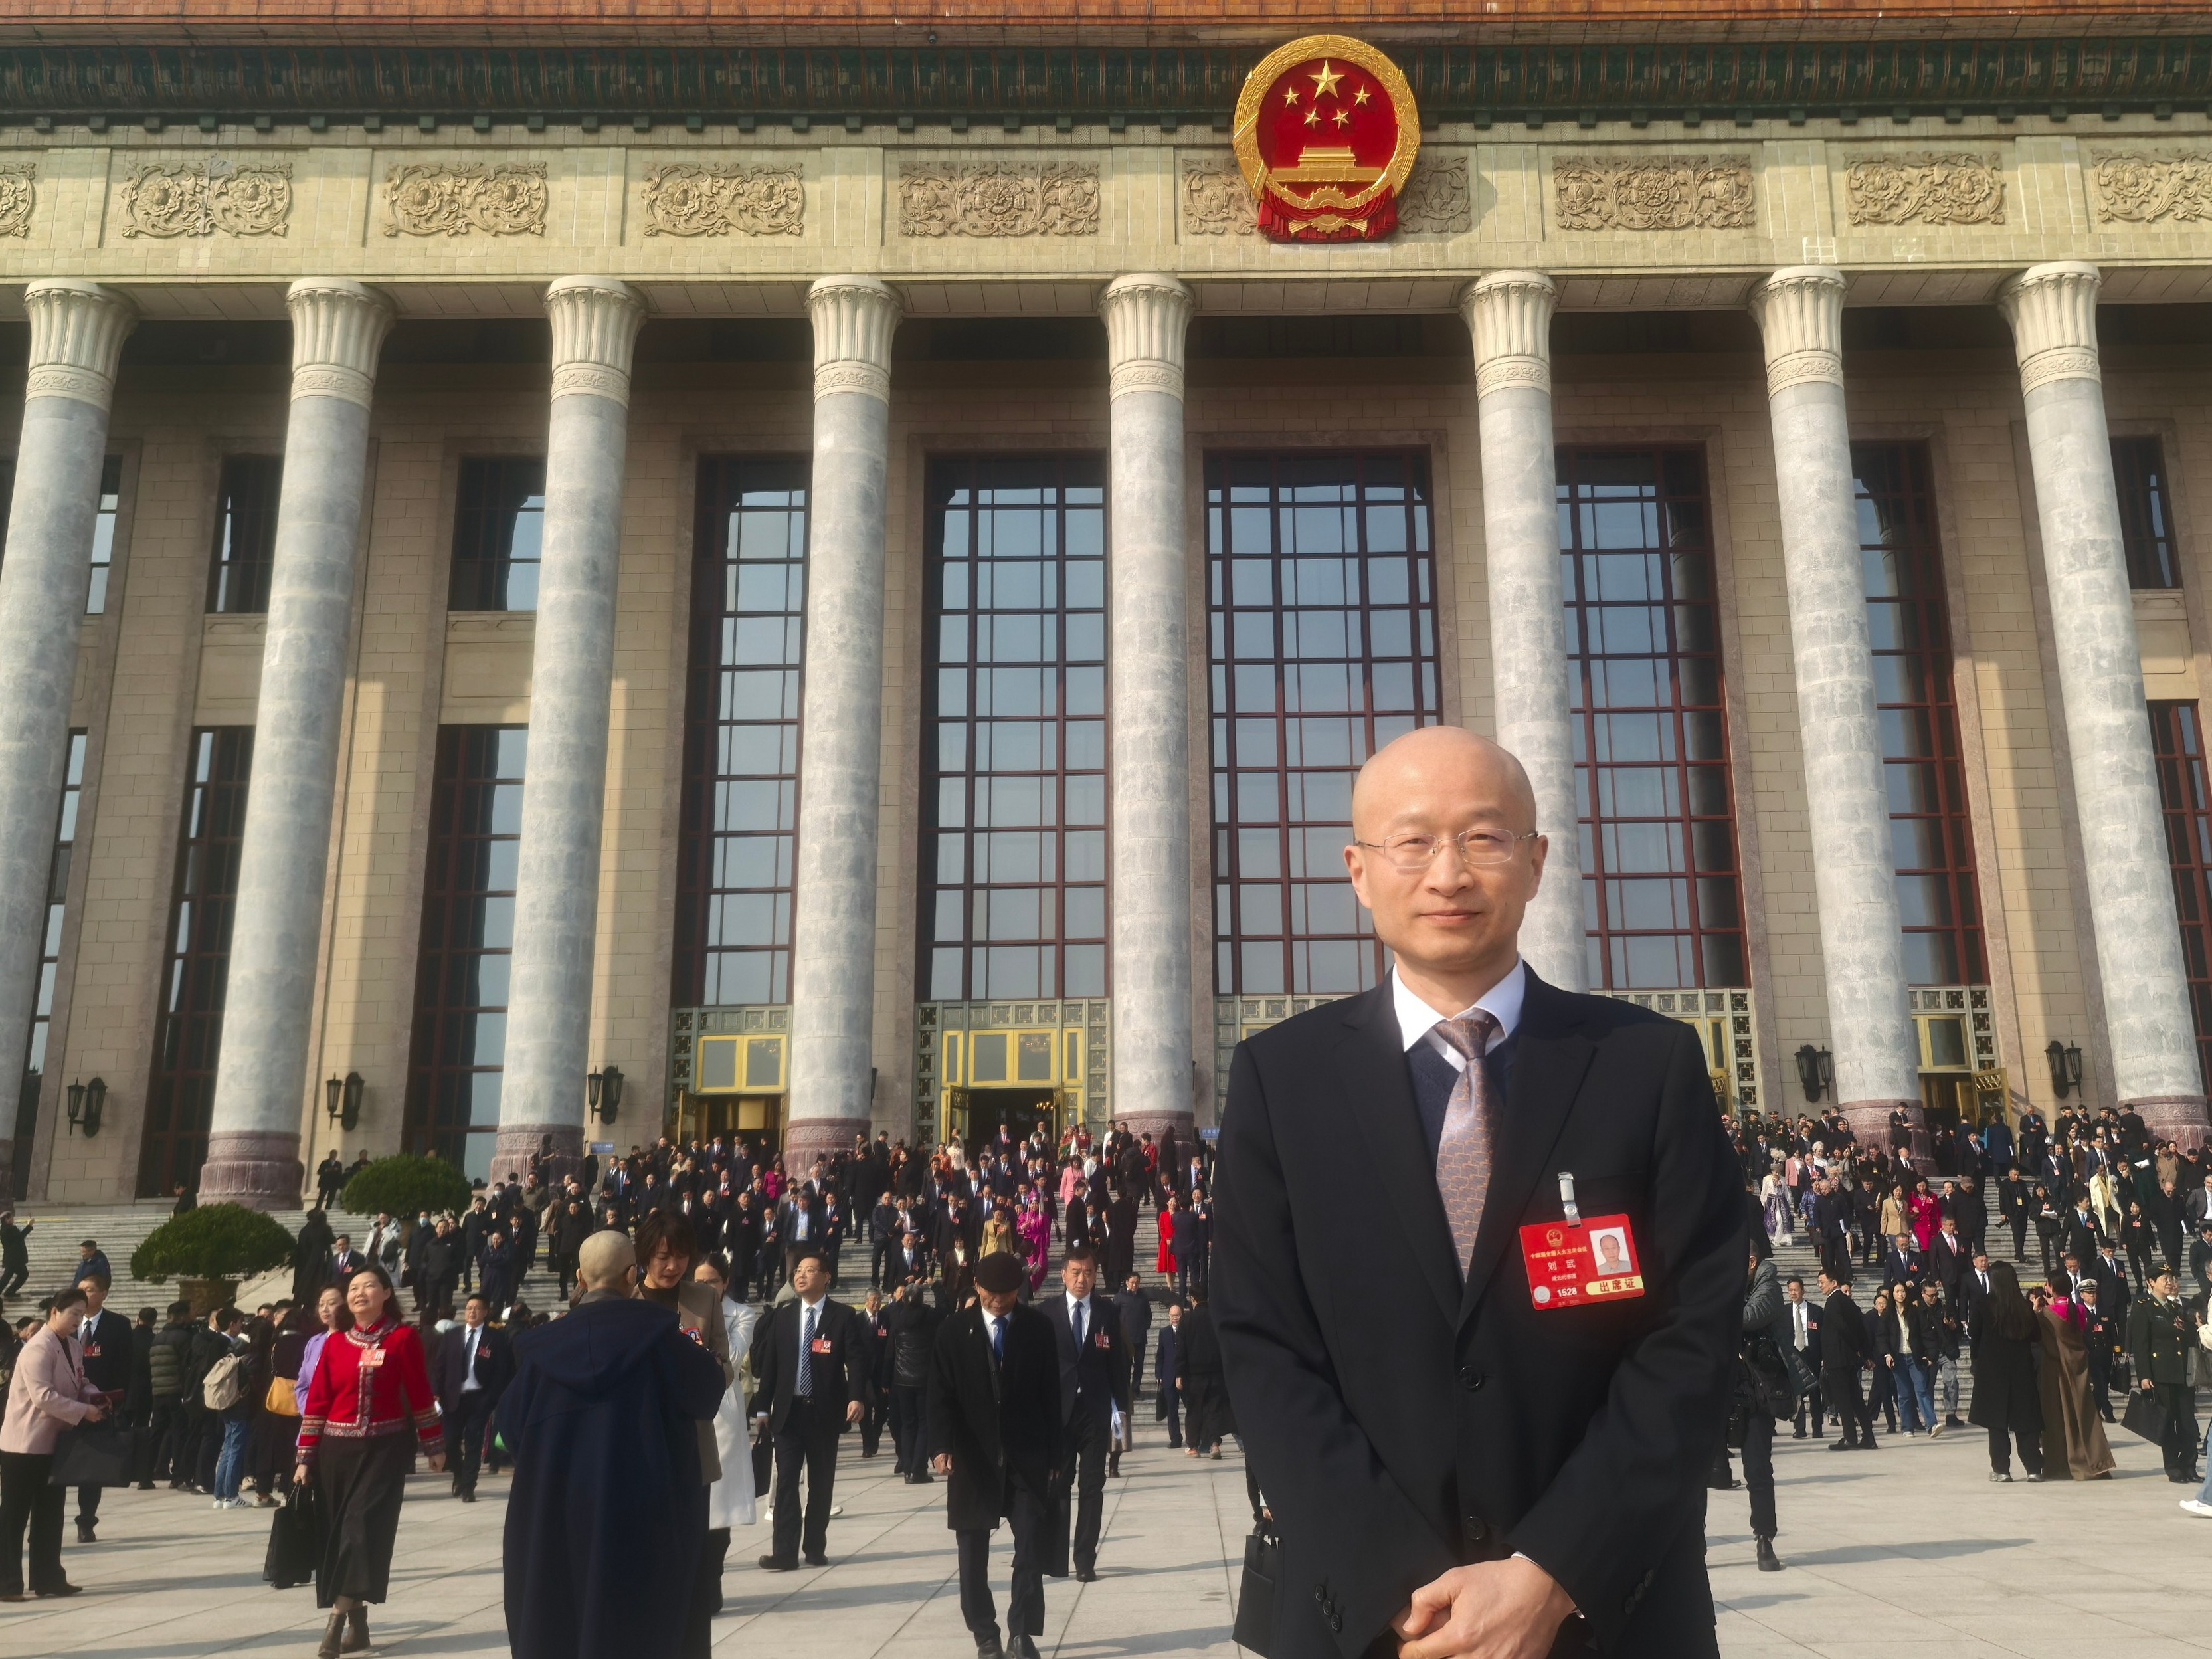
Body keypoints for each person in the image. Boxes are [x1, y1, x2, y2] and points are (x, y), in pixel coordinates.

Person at [1214, 728, 1746, 1659]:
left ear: (1535, 862)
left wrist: (1549, 1573)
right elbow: (1263, 1350)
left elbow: (1692, 1337)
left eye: (1484, 838)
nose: (1448, 874)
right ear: (1358, 870)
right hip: (1369, 1628)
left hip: (1604, 1619)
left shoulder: (1644, 1065)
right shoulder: (1281, 1080)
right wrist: (1402, 1589)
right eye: (1413, 841)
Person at [498, 1230, 724, 1659]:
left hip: (557, 1511)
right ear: (632, 1275)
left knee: (563, 1618)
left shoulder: (542, 1351)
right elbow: (706, 1394)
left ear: (580, 1278)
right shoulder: (661, 1339)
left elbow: (510, 1429)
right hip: (644, 1510)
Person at [294, 1264, 445, 1658]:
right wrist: (305, 1456)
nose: (360, 1293)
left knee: (360, 1529)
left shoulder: (403, 1338)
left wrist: (434, 1444)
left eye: (369, 1286)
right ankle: (359, 1628)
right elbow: (318, 1401)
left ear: (387, 1293)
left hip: (385, 1451)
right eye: (354, 1288)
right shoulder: (335, 1344)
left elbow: (420, 1392)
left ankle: (335, 1623)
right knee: (341, 1535)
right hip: (336, 1452)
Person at [929, 1250, 1063, 1659]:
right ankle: (985, 1635)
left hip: (1027, 1456)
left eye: (1008, 1293)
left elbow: (1051, 1395)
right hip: (974, 1458)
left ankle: (1021, 1633)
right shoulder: (954, 1330)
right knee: (972, 1555)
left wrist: (1056, 1455)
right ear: (977, 1287)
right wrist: (940, 1446)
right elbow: (939, 1395)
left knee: (1030, 1546)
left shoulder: (1038, 1328)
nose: (1000, 1300)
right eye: (992, 1293)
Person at [749, 1248, 867, 1570]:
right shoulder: (784, 1314)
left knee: (821, 1483)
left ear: (826, 1277)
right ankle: (784, 1553)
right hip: (789, 1413)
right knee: (787, 1481)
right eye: (798, 1270)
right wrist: (763, 1409)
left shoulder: (843, 1316)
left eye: (809, 1270)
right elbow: (770, 1366)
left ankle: (815, 1547)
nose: (801, 1275)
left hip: (824, 1413)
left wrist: (856, 1397)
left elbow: (856, 1361)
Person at [0, 1285, 108, 1601]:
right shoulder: (37, 1348)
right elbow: (43, 1396)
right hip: (24, 1444)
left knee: (50, 1514)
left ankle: (48, 1579)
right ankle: (7, 1583)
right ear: (55, 1312)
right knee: (14, 1516)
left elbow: (80, 1381)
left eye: (82, 1314)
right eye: (73, 1313)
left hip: (55, 1442)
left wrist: (96, 1397)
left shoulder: (73, 1346)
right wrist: (84, 1411)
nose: (77, 1320)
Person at [1040, 1240, 1124, 1582]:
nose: (1082, 1279)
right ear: (1063, 1275)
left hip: (1094, 1411)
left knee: (1092, 1486)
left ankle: (1085, 1559)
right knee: (1059, 1485)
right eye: (1076, 1272)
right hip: (1058, 1413)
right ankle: (1056, 1557)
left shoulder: (1107, 1312)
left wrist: (1121, 1413)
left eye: (1088, 1272)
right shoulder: (1046, 1313)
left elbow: (1118, 1364)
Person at [695, 1254, 760, 1622]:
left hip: (723, 1415)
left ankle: (713, 1580)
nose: (705, 1288)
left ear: (725, 1283)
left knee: (720, 1510)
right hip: (687, 1412)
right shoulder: (680, 1309)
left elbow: (730, 1359)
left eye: (712, 1282)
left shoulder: (742, 1315)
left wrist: (707, 1324)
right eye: (699, 1282)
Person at [432, 1294, 513, 1503]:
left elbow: (502, 1371)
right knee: (450, 1441)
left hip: (480, 1398)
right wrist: (436, 1391)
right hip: (453, 1398)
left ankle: (469, 1487)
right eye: (469, 1308)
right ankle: (459, 1475)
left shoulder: (495, 1338)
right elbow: (439, 1366)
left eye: (477, 1308)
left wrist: (492, 1397)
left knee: (473, 1442)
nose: (472, 1312)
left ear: (485, 1312)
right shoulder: (452, 1335)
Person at [2127, 1264, 2203, 1485]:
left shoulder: (2176, 1307)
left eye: (2171, 1279)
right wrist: (2144, 1375)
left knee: (2188, 1424)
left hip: (2183, 1373)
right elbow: (2141, 1345)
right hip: (2161, 1375)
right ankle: (2173, 1467)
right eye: (2164, 1279)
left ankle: (2190, 1466)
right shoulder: (2143, 1307)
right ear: (2151, 1282)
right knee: (2168, 1423)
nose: (2170, 1283)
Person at [1969, 1261, 2045, 1482]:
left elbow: (1974, 1333)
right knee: (2026, 1421)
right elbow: (2036, 1335)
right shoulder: (2024, 1306)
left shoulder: (1982, 1304)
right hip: (2022, 1370)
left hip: (1992, 1371)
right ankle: (2034, 1469)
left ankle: (2002, 1470)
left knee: (1997, 1423)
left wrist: (1976, 1360)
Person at [69, 1273, 130, 1542]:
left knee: (91, 1471)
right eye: (80, 1289)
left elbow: (125, 1368)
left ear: (104, 1294)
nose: (84, 1293)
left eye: (90, 1289)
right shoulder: (68, 1324)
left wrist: (116, 1404)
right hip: (65, 1408)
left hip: (100, 1408)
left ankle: (86, 1522)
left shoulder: (118, 1325)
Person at [2036, 1284, 2114, 1479]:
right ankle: (2096, 1463)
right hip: (2079, 1365)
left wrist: (2037, 1311)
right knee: (2085, 1414)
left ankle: (2060, 1465)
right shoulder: (2079, 1309)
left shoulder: (2047, 1313)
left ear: (2051, 1288)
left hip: (2057, 1368)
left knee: (2060, 1415)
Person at [1819, 1271, 1873, 1450]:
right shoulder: (1847, 1300)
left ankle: (1850, 1437)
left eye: (1822, 1282)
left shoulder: (1833, 1301)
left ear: (1834, 1282)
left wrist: (1856, 1348)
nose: (1820, 1286)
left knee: (1843, 1399)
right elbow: (1860, 1327)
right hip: (1847, 1358)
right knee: (1856, 1399)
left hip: (1838, 1358)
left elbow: (1842, 1328)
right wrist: (1864, 1353)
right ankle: (1868, 1437)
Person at [1178, 1290, 1233, 1460]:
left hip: (1194, 1374)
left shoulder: (1187, 1320)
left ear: (1193, 1299)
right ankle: (1214, 1444)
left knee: (1194, 1410)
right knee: (1214, 1409)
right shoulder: (1216, 1317)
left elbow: (1181, 1349)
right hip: (1216, 1372)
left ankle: (1193, 1446)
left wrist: (1179, 1373)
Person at [1153, 1302, 1184, 1450]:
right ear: (1169, 1316)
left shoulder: (1186, 1331)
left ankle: (1196, 1438)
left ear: (1182, 1316)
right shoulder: (1164, 1332)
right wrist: (1158, 1373)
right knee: (1172, 1410)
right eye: (1172, 1315)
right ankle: (1176, 1439)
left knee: (1192, 1408)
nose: (1175, 1318)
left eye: (1177, 1315)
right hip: (1169, 1377)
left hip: (1185, 1377)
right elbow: (1160, 1355)